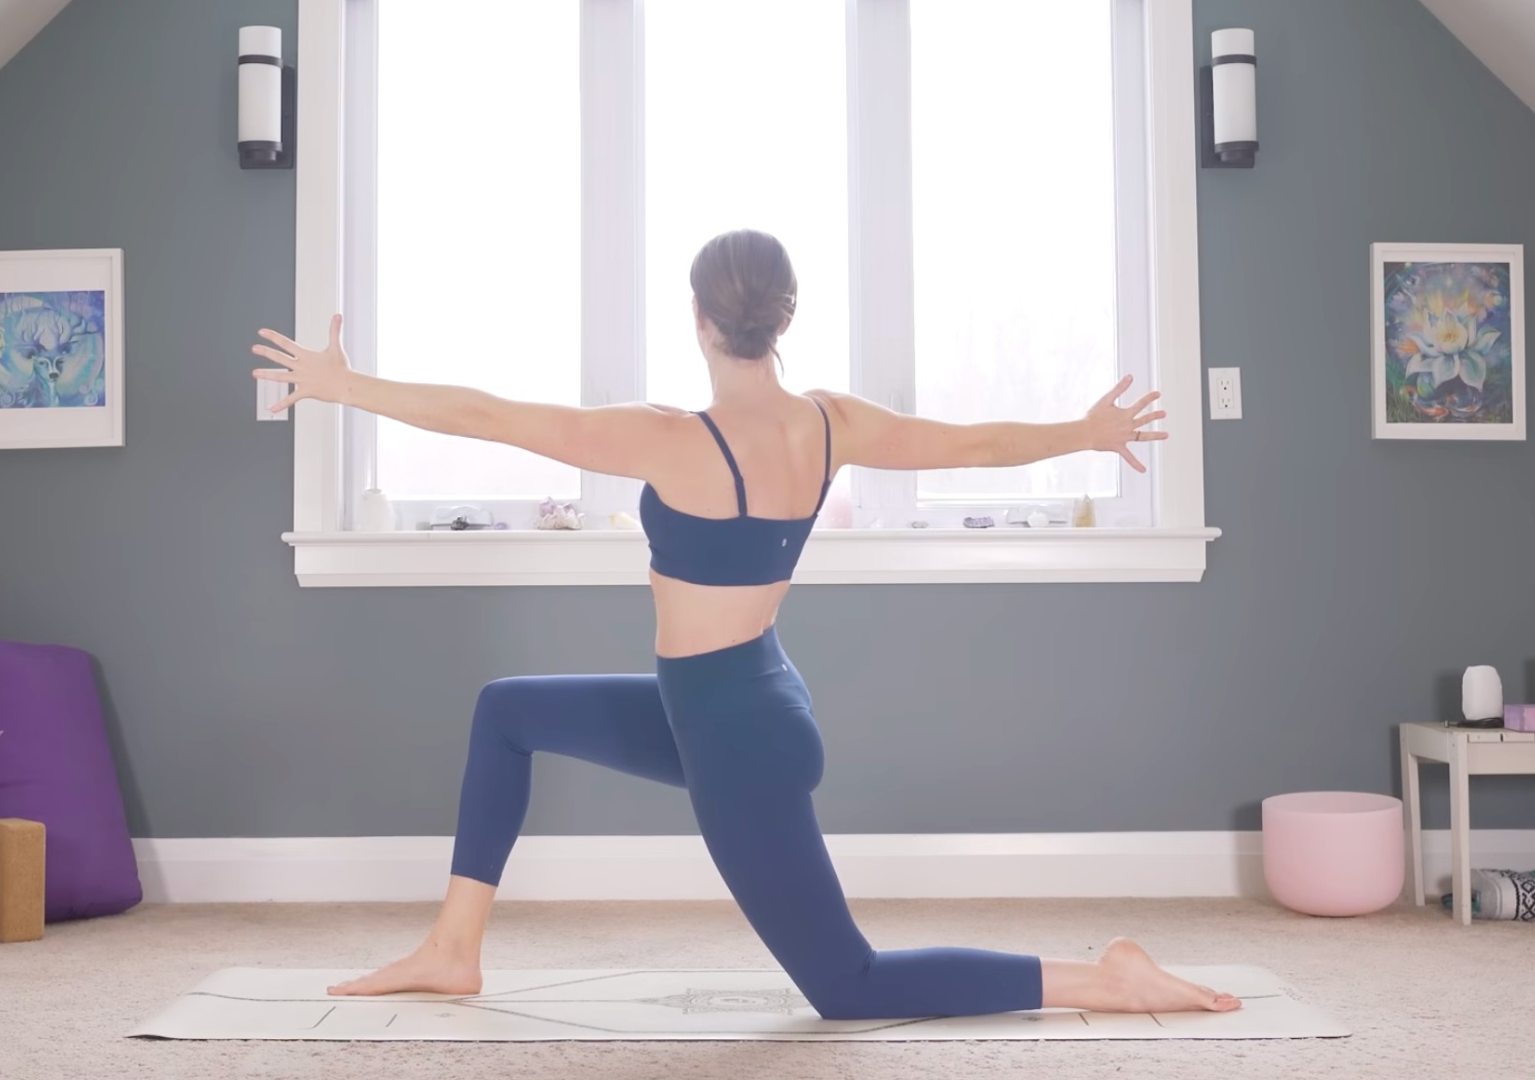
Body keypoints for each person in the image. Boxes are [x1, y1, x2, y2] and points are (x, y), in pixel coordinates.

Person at [250, 229, 1239, 1020]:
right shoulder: (830, 423)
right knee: (506, 712)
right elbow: (972, 444)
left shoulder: (670, 441)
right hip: (742, 698)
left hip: (735, 738)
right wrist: (1085, 432)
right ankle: (452, 949)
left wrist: (347, 387)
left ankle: (1104, 979)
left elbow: (491, 416)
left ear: (698, 319)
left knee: (848, 986)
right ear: (784, 317)